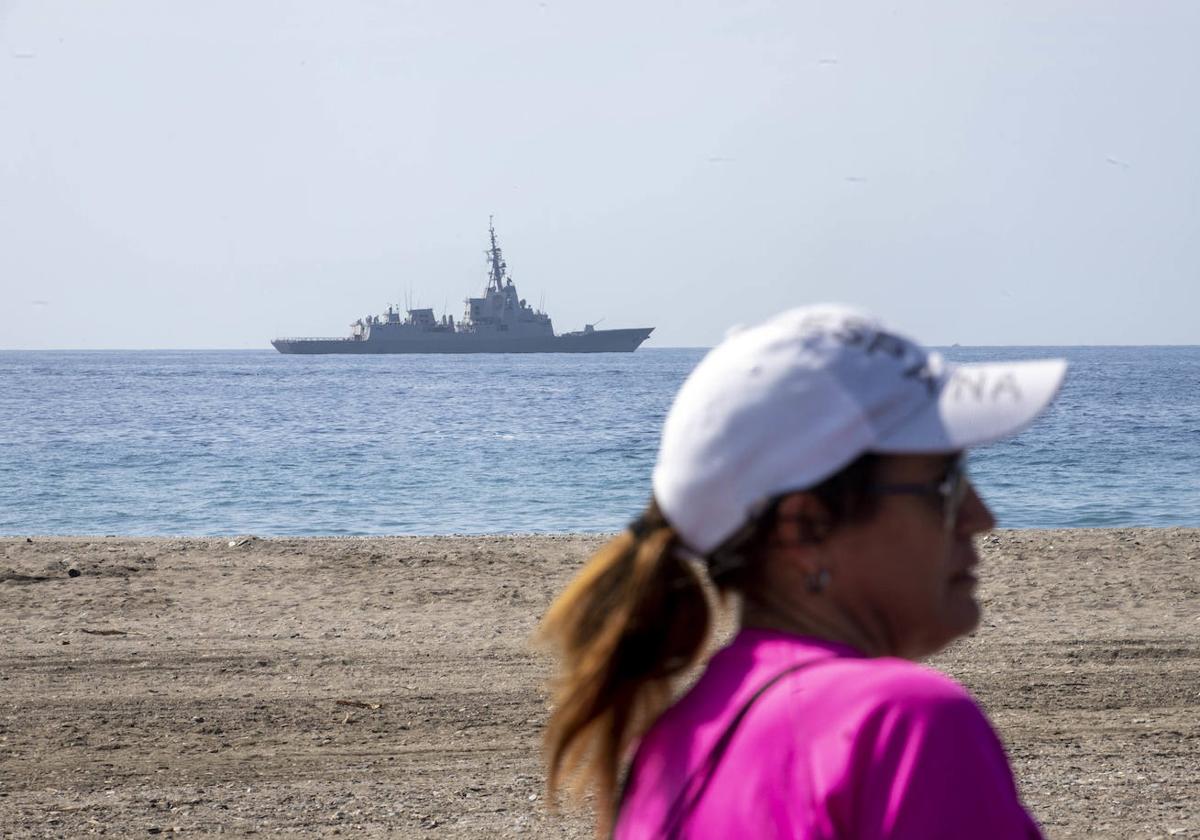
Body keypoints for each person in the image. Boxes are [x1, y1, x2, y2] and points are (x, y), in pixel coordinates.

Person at [539, 304, 1067, 839]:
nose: (980, 516)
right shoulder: (899, 727)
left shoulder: (666, 749)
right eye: (945, 485)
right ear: (806, 530)